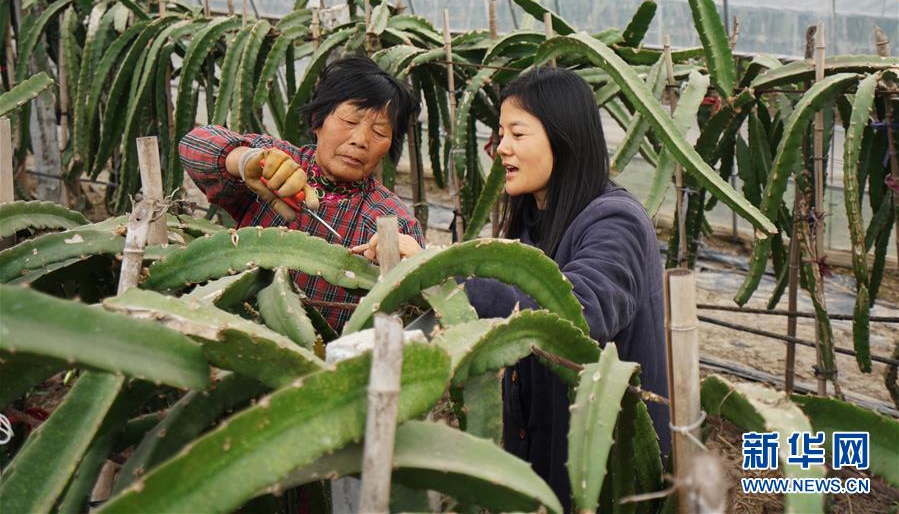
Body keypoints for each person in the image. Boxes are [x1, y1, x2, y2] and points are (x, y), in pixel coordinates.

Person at [353, 66, 670, 510]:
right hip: (546, 454)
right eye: (500, 134)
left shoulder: (615, 221)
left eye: (517, 134)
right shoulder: (534, 221)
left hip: (605, 475)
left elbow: (577, 313)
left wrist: (437, 268)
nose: (501, 148)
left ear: (564, 137)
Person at [179, 55, 424, 332]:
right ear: (318, 120)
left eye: (380, 132)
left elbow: (418, 316)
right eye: (349, 121)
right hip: (233, 339)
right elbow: (194, 144)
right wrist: (243, 160)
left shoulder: (393, 220)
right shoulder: (276, 161)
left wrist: (417, 269)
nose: (361, 140)